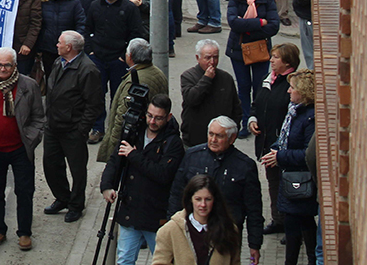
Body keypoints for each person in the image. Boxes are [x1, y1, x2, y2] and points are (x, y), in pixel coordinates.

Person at [0, 46, 45, 252]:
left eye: (7, 65)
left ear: (15, 66)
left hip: (21, 149)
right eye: (0, 65)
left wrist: (31, 139)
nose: (3, 69)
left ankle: (24, 233)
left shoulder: (29, 86)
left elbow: (39, 117)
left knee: (24, 192)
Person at [100, 93, 185, 265]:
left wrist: (134, 155)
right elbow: (115, 160)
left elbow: (163, 174)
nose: (152, 121)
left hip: (156, 215)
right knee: (124, 259)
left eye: (158, 118)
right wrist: (107, 186)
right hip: (130, 211)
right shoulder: (134, 132)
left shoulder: (173, 143)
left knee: (162, 260)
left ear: (168, 117)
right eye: (150, 116)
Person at [168, 117, 264, 261]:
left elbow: (254, 209)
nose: (213, 139)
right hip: (192, 232)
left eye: (219, 136)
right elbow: (176, 194)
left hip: (226, 234)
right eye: (211, 134)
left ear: (232, 138)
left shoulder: (245, 166)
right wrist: (174, 227)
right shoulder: (192, 157)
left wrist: (255, 244)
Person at [42, 30, 103, 223]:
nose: (56, 46)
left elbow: (94, 104)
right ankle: (62, 198)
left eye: (59, 43)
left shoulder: (88, 70)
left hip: (72, 129)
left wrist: (81, 129)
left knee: (77, 170)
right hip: (53, 126)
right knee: (51, 166)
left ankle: (76, 205)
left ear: (69, 47)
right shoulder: (58, 63)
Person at [259, 69, 315, 265]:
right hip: (291, 178)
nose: (289, 91)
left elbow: (308, 153)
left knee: (297, 224)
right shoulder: (294, 111)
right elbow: (285, 140)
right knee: (301, 223)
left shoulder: (309, 118)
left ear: (304, 92)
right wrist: (275, 150)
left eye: (292, 88)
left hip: (300, 180)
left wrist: (280, 156)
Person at [85, 0, 146, 143]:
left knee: (119, 96)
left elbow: (136, 33)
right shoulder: (95, 6)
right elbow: (87, 29)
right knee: (97, 95)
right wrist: (90, 51)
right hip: (98, 58)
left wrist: (123, 56)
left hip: (119, 60)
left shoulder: (129, 8)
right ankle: (98, 128)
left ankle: (116, 129)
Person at [249, 43, 300, 238]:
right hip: (267, 144)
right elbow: (257, 104)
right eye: (272, 56)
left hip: (284, 149)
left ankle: (292, 225)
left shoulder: (292, 85)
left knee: (287, 185)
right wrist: (253, 119)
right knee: (273, 183)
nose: (271, 60)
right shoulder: (268, 80)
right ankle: (278, 220)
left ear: (288, 62)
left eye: (276, 57)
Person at [96, 38, 168, 162]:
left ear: (130, 57)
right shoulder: (157, 73)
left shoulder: (134, 82)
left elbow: (122, 116)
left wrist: (113, 146)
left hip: (134, 143)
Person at [226, 0, 280, 133]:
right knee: (243, 87)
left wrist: (246, 25)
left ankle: (258, 121)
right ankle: (244, 121)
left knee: (259, 87)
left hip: (260, 51)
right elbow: (234, 23)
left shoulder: (268, 0)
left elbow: (274, 26)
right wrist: (260, 22)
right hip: (238, 51)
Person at [153, 174, 243, 265]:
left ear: (215, 200)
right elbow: (160, 262)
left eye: (208, 199)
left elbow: (235, 262)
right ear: (190, 199)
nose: (203, 204)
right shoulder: (170, 230)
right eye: (198, 199)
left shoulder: (229, 229)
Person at [179, 38, 242, 148]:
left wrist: (232, 132)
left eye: (215, 57)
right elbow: (191, 99)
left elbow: (236, 108)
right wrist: (206, 79)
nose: (212, 62)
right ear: (198, 58)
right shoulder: (188, 76)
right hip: (195, 140)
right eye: (208, 58)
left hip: (223, 141)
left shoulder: (226, 78)